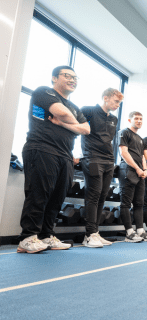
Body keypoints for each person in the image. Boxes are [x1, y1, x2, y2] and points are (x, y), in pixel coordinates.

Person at [17, 66, 90, 253]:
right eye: (68, 76)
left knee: (57, 199)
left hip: (65, 155)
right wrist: (72, 122)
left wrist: (62, 123)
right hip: (42, 148)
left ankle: (46, 236)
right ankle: (28, 237)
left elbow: (87, 130)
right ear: (54, 78)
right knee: (38, 194)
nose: (73, 80)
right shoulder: (44, 92)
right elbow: (63, 113)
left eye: (75, 77)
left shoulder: (74, 106)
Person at [80, 88, 122, 248]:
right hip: (92, 158)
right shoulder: (88, 111)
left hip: (108, 160)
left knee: (103, 196)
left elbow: (110, 141)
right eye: (116, 101)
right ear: (105, 98)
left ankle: (95, 232)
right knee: (93, 195)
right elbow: (77, 129)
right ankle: (89, 235)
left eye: (119, 102)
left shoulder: (114, 119)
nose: (118, 105)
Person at [118, 111, 147, 242]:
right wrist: (137, 168)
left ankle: (140, 230)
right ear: (129, 120)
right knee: (126, 203)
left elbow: (142, 156)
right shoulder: (124, 132)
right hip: (128, 170)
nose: (139, 121)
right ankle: (129, 233)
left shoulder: (140, 139)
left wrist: (145, 169)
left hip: (140, 173)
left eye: (141, 119)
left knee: (139, 203)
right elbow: (123, 153)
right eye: (136, 118)